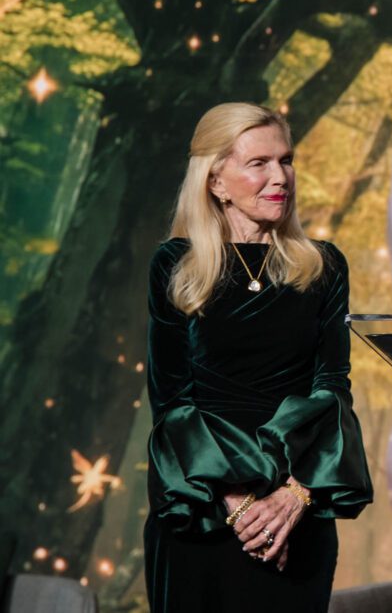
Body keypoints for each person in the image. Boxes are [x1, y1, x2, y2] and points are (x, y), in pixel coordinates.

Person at [144, 103, 373, 612]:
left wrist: (292, 498)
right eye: (259, 163)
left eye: (286, 160)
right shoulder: (175, 267)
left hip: (299, 510)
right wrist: (242, 507)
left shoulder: (323, 266)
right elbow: (173, 405)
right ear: (216, 181)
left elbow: (333, 390)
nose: (280, 177)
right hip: (201, 510)